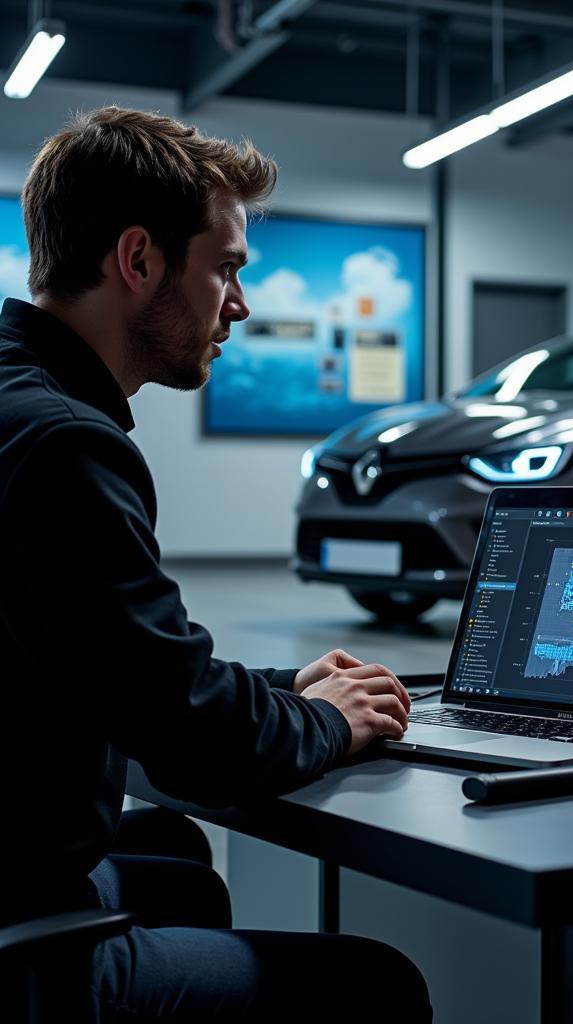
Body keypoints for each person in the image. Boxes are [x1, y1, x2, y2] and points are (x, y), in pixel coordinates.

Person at [0, 106, 432, 1022]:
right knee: (380, 989)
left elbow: (120, 660)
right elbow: (193, 742)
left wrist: (289, 687)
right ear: (140, 260)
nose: (238, 303)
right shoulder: (63, 448)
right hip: (15, 925)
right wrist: (323, 723)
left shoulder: (16, 401)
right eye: (226, 269)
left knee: (179, 870)